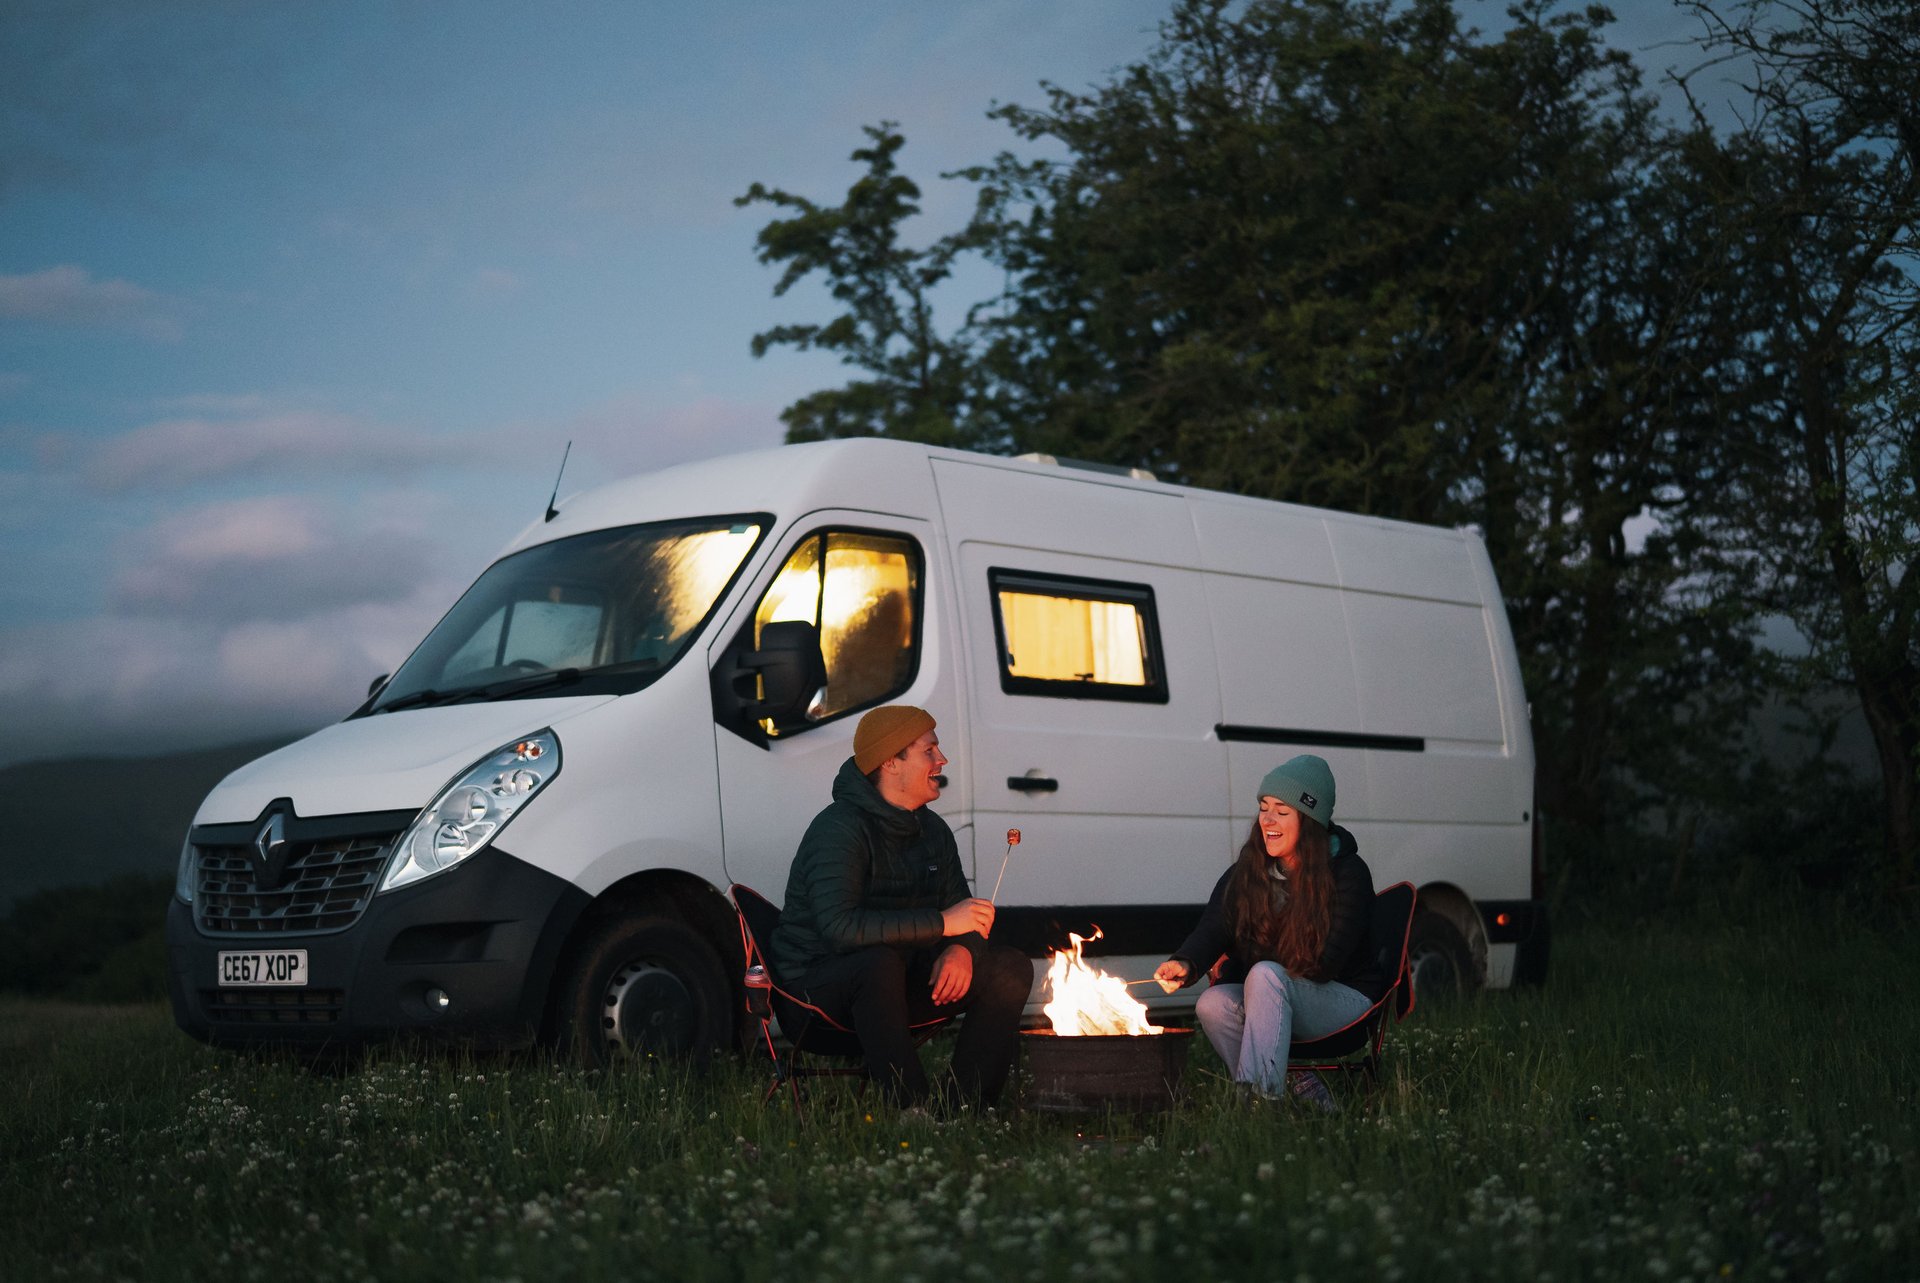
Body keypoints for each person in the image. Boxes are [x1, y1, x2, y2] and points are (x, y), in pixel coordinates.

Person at [771, 704, 1035, 1109]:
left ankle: (962, 1108)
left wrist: (963, 948)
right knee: (876, 962)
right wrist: (942, 926)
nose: (942, 760)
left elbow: (962, 913)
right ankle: (912, 1111)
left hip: (896, 985)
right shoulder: (838, 829)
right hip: (818, 995)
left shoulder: (932, 830)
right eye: (929, 750)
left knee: (1009, 967)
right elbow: (840, 928)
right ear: (891, 762)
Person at [1154, 755, 1385, 1110]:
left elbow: (1323, 963)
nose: (1268, 819)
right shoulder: (1250, 871)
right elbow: (1216, 923)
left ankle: (1258, 1106)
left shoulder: (1347, 873)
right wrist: (1187, 962)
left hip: (1345, 1000)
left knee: (1264, 975)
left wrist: (1248, 966)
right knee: (1212, 1003)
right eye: (1264, 807)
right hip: (1279, 992)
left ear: (1308, 820)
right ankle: (1291, 1084)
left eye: (1282, 810)